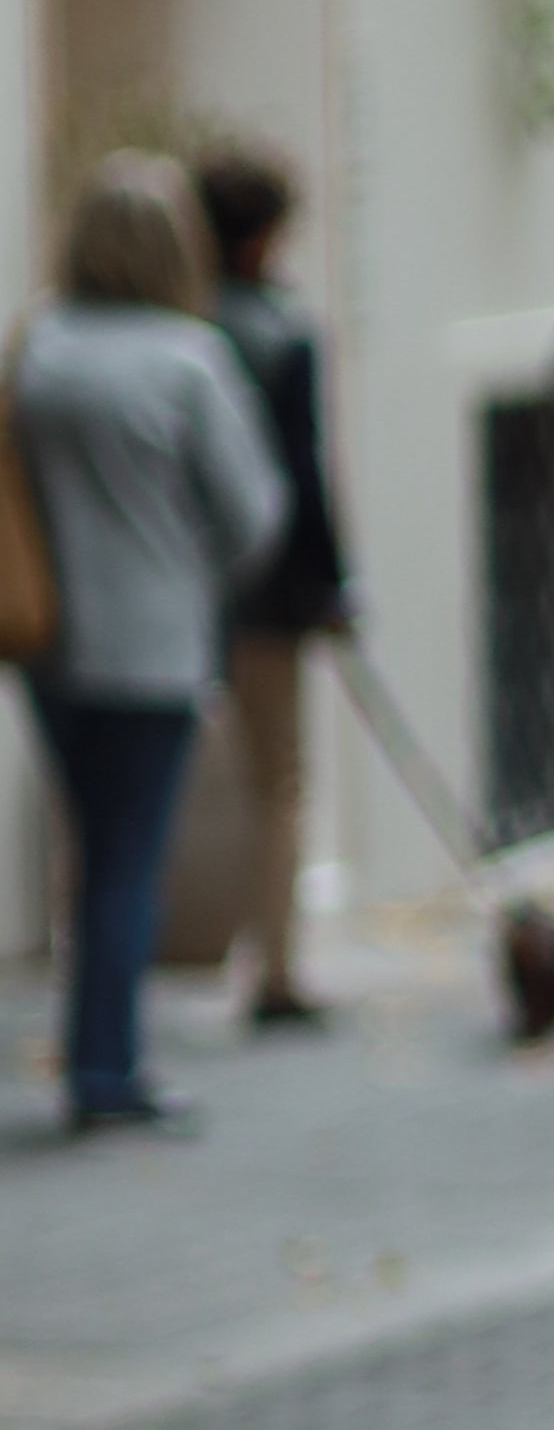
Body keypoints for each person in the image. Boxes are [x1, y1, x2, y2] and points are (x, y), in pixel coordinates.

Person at [13, 156, 288, 1134]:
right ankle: (107, 1068)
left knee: (92, 849)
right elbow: (252, 511)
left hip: (48, 643)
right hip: (153, 643)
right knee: (128, 856)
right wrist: (194, 565)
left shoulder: (39, 348)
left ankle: (94, 1047)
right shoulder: (187, 359)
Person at [193, 149, 354, 1031]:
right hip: (263, 593)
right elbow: (303, 474)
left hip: (181, 587)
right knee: (278, 779)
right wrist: (329, 585)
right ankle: (276, 967)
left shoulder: (178, 320)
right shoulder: (279, 332)